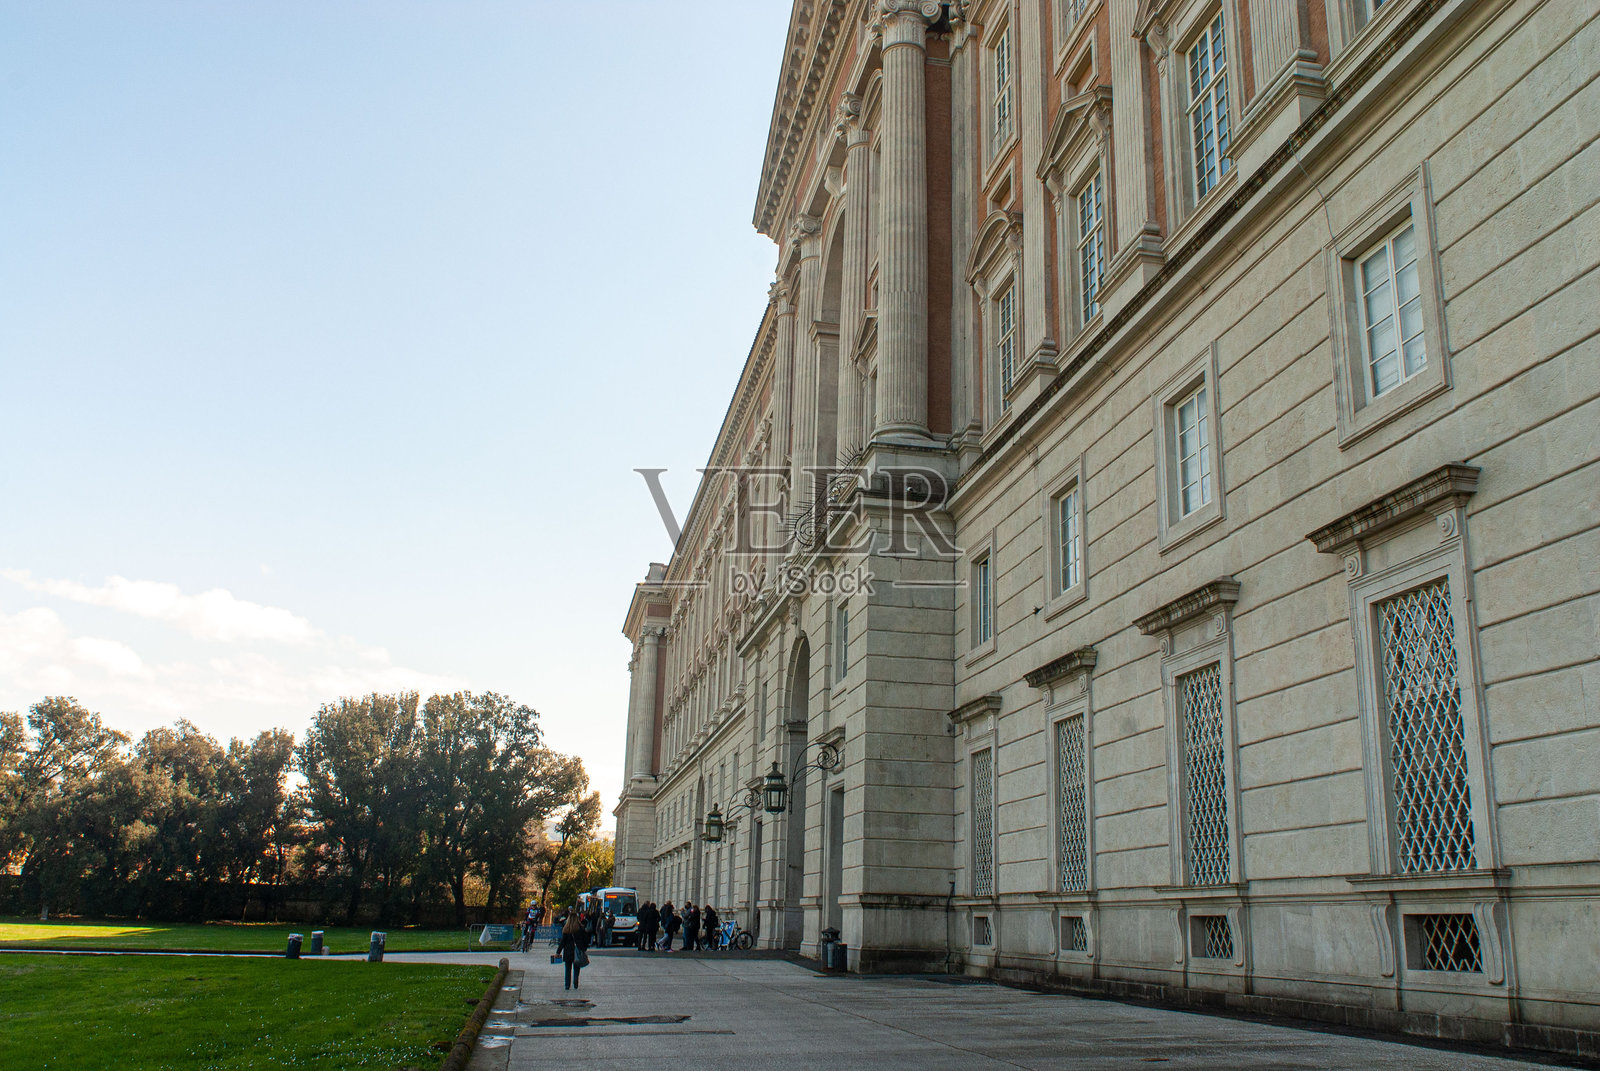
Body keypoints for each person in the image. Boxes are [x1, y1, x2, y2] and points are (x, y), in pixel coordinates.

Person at [557, 905, 590, 990]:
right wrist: (584, 948)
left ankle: (567, 985)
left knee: (567, 969)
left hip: (568, 951)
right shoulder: (580, 928)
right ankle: (575, 982)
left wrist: (558, 952)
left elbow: (562, 942)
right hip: (577, 950)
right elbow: (585, 940)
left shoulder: (566, 929)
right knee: (576, 967)